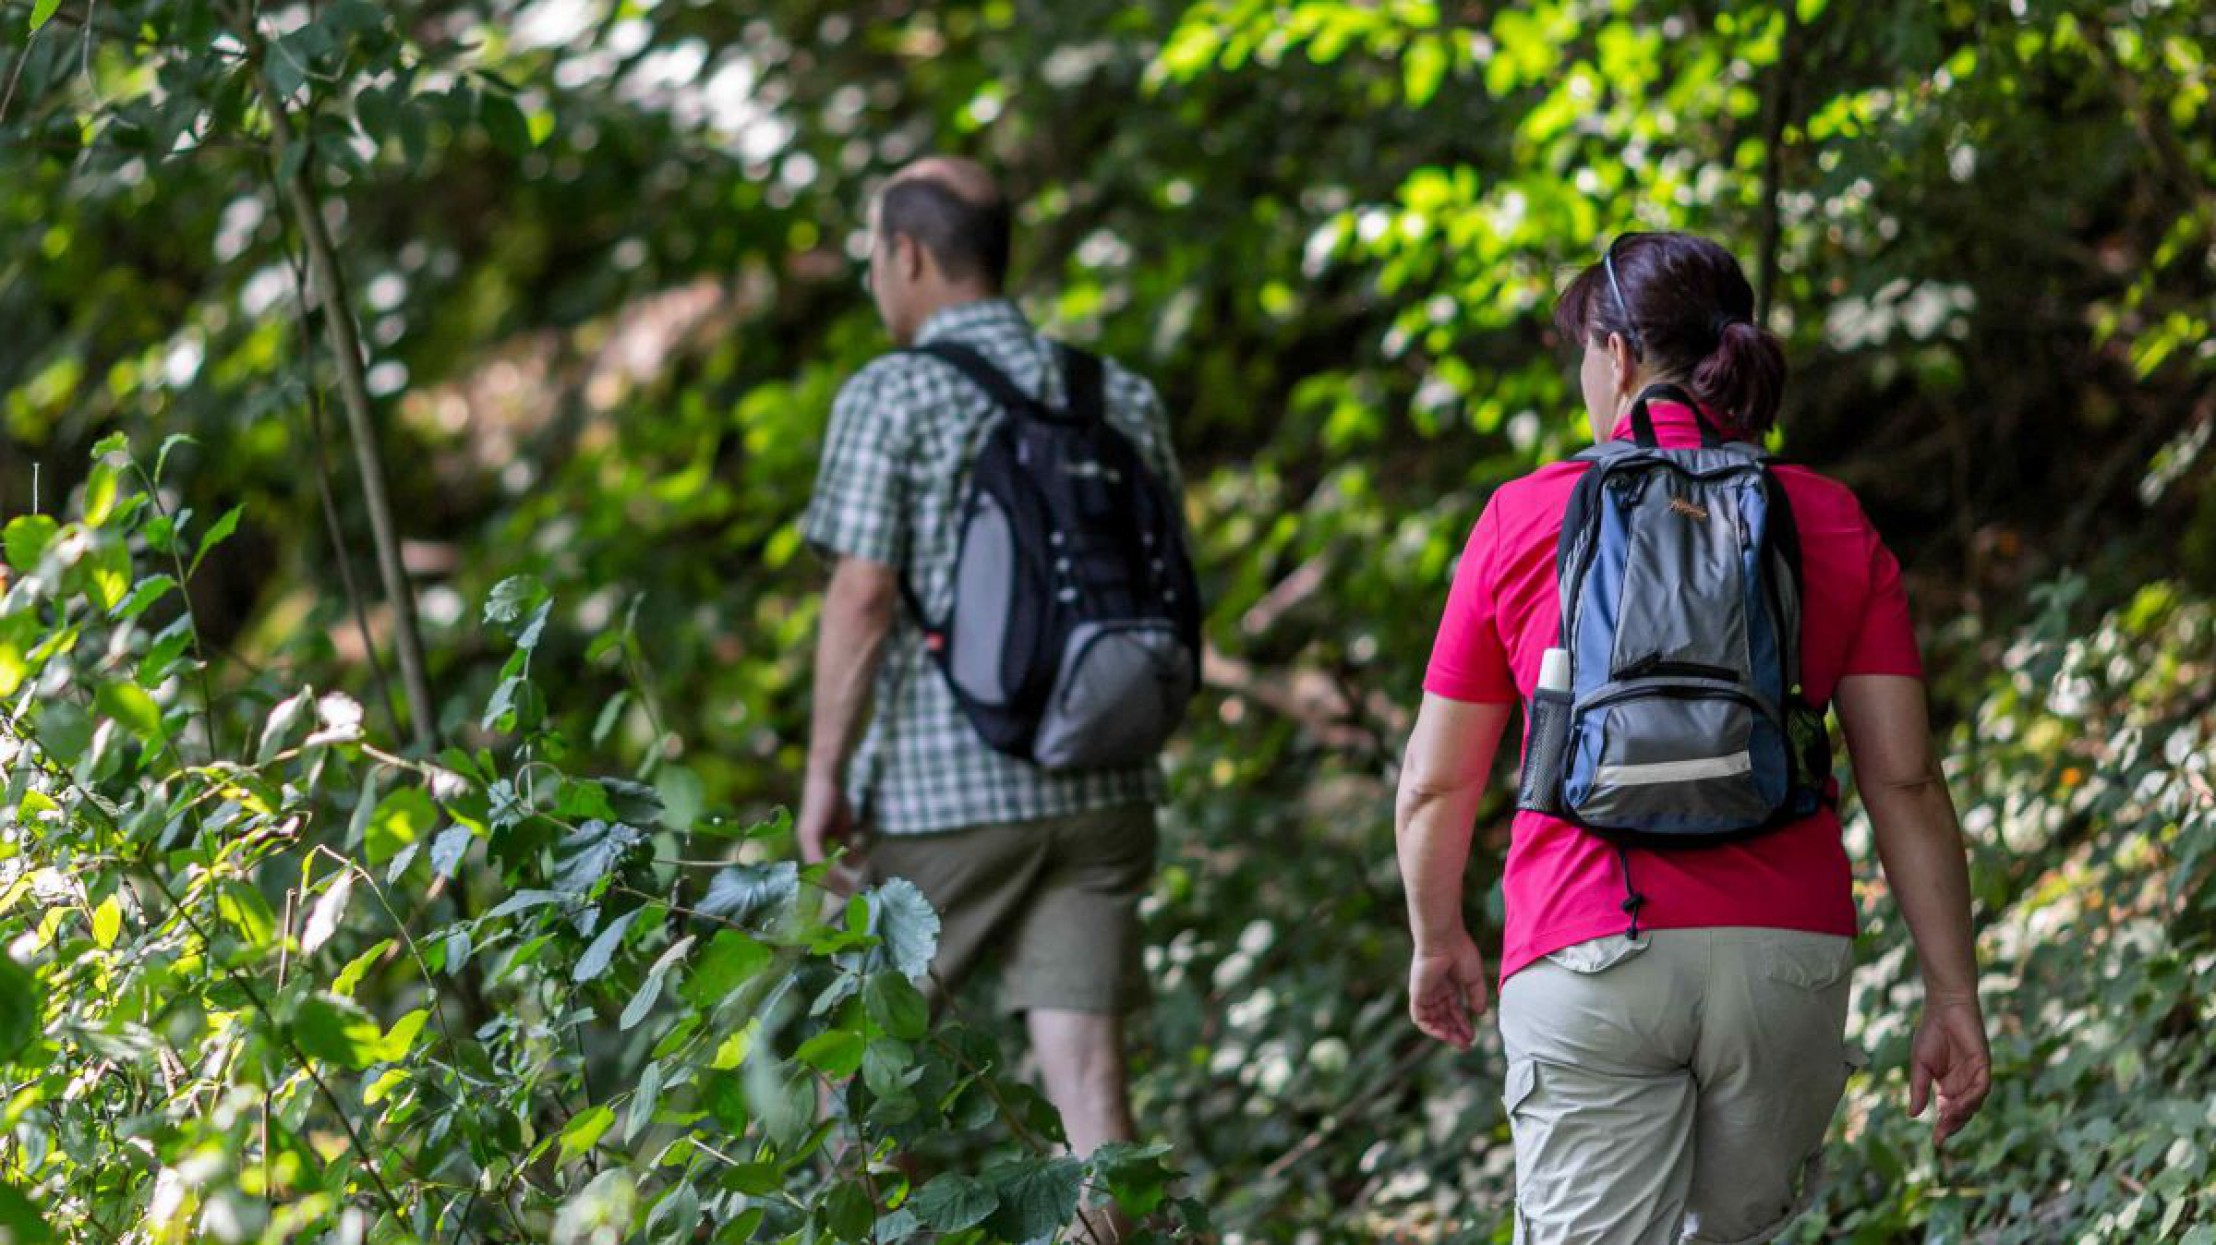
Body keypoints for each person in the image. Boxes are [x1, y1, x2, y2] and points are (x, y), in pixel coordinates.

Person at [1394, 231, 1991, 1243]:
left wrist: (1436, 936)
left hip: (1588, 945)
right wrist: (1950, 990)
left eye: (1585, 353)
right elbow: (1905, 780)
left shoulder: (1524, 517)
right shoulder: (1825, 518)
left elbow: (1433, 785)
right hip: (1780, 959)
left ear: (1616, 356)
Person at [797, 155, 1186, 1239]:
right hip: (1106, 782)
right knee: (1092, 1101)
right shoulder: (1119, 393)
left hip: (943, 804)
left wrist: (823, 777)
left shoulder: (894, 392)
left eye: (873, 255)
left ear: (906, 254)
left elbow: (863, 597)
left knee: (857, 1086)